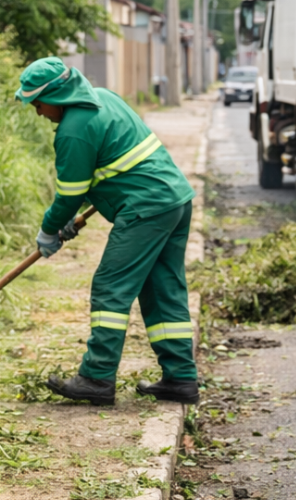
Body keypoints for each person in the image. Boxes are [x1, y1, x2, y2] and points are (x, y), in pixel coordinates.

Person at [15, 57, 200, 404]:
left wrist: (49, 229)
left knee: (110, 287)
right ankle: (181, 379)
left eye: (38, 103)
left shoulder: (73, 130)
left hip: (146, 209)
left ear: (57, 96)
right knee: (163, 288)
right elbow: (117, 162)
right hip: (173, 200)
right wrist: (72, 215)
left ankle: (96, 377)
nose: (38, 112)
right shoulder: (106, 98)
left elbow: (69, 193)